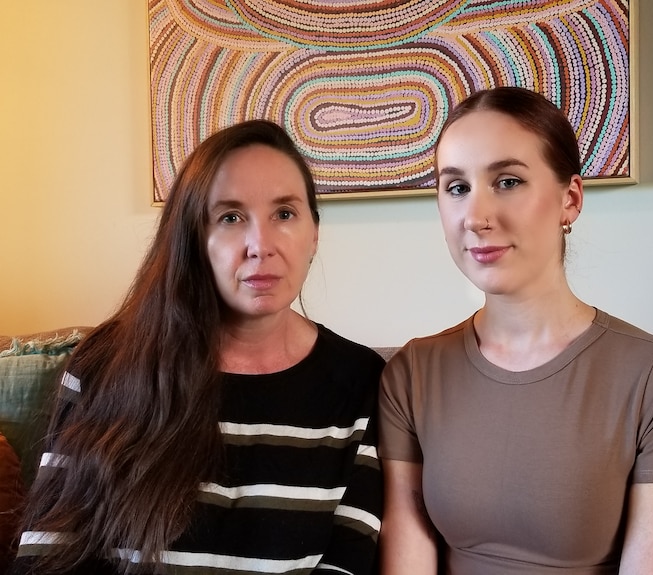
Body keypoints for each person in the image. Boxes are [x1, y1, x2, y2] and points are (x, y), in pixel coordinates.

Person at [378, 87, 653, 575]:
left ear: (570, 199)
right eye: (456, 187)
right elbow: (407, 554)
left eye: (507, 181)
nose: (476, 218)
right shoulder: (411, 373)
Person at [11, 120, 384, 575]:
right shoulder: (105, 364)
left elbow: (348, 562)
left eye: (284, 214)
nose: (259, 245)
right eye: (230, 217)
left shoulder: (360, 379)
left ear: (315, 234)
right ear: (193, 239)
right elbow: (49, 554)